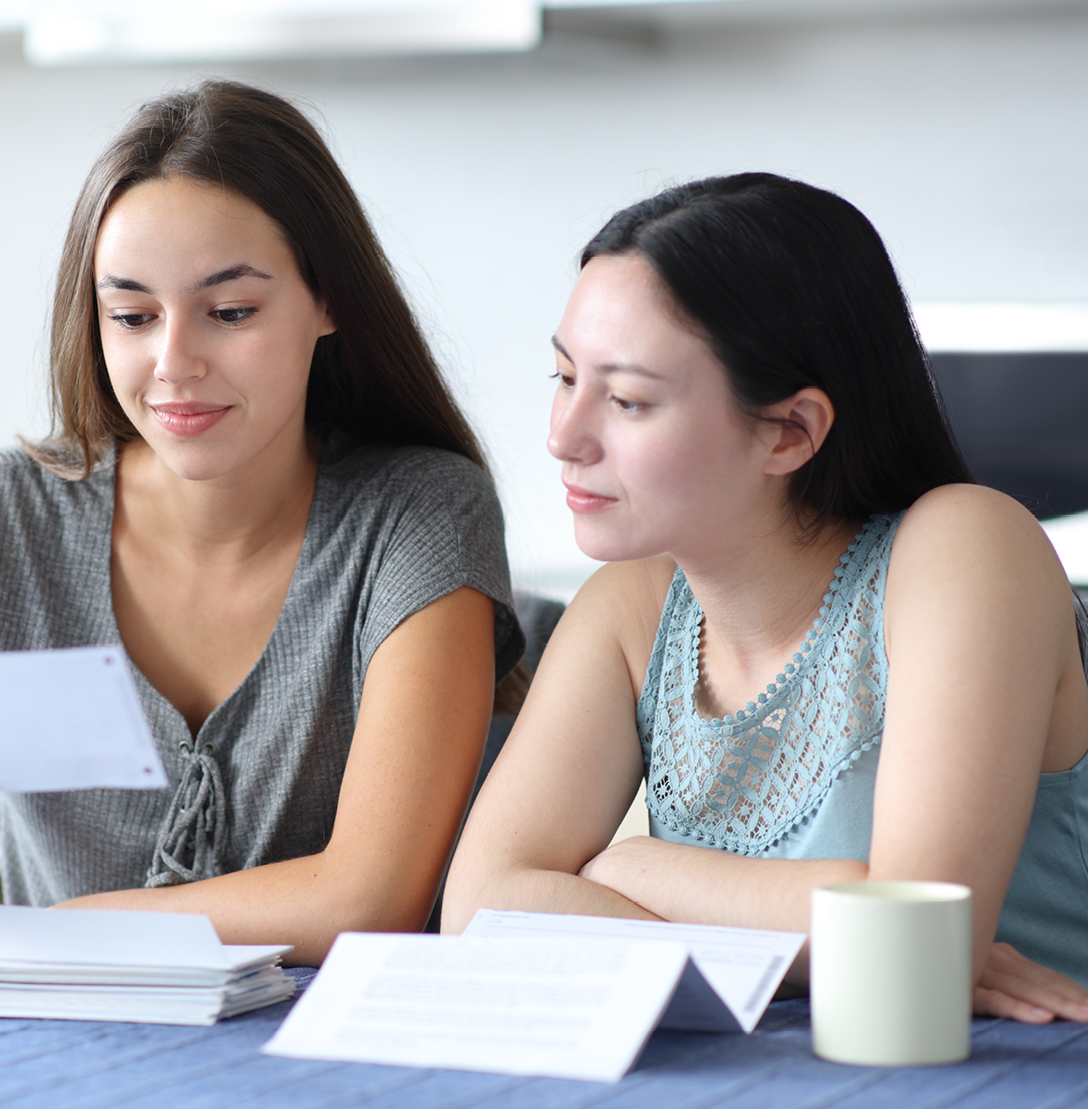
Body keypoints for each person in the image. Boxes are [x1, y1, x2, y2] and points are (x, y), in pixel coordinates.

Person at [0, 80, 525, 963]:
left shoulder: (418, 515)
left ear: (327, 299)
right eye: (133, 315)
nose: (173, 362)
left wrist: (40, 934)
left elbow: (367, 897)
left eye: (230, 312)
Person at [442, 172, 1088, 1022]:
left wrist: (628, 872)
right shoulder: (628, 606)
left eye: (628, 399)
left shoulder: (966, 546)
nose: (563, 437)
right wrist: (840, 925)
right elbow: (481, 912)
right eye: (564, 377)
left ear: (792, 431)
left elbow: (918, 950)